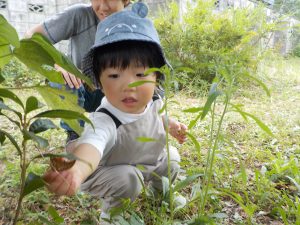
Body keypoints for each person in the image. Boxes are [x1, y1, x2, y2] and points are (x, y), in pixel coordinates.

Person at [43, 5, 187, 224]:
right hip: (111, 171)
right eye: (114, 75)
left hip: (146, 161)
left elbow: (157, 117)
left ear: (156, 78)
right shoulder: (106, 118)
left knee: (172, 157)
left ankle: (161, 194)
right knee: (128, 178)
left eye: (140, 74)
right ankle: (112, 215)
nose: (129, 85)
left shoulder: (155, 101)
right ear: (99, 81)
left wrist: (171, 124)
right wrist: (79, 168)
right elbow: (94, 143)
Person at [25, 0, 131, 142]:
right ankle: (75, 135)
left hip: (116, 94)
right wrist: (56, 64)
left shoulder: (135, 24)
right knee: (60, 77)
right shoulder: (79, 15)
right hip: (80, 89)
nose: (103, 7)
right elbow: (30, 36)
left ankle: (119, 130)